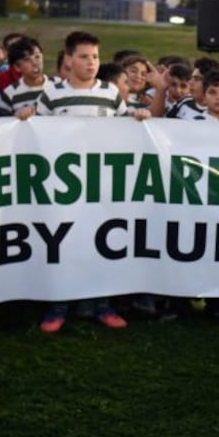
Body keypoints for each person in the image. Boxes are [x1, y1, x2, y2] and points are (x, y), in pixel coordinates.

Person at [21, 31, 150, 333]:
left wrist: (138, 114)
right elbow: (34, 133)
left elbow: (125, 123)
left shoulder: (109, 92)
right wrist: (25, 116)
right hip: (63, 187)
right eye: (83, 56)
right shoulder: (52, 95)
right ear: (68, 59)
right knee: (63, 243)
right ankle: (58, 306)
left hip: (101, 187)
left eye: (94, 56)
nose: (91, 62)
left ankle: (102, 304)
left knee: (100, 242)